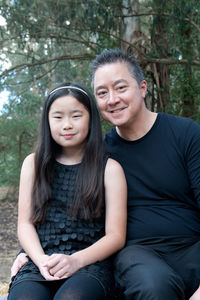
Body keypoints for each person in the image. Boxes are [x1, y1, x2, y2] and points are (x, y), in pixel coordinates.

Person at [9, 49, 200, 300]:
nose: (112, 99)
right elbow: (62, 209)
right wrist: (27, 252)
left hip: (191, 246)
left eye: (121, 88)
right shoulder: (101, 156)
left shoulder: (185, 134)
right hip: (138, 255)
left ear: (142, 88)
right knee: (153, 287)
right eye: (102, 93)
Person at [8, 82, 127, 300]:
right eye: (58, 117)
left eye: (75, 115)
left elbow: (116, 236)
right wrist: (40, 259)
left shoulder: (110, 169)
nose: (67, 125)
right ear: (47, 120)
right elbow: (25, 224)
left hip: (89, 264)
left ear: (90, 118)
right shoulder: (33, 165)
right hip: (41, 261)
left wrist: (75, 261)